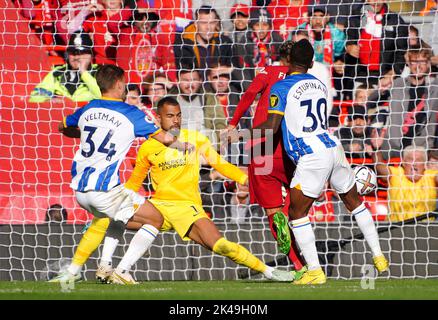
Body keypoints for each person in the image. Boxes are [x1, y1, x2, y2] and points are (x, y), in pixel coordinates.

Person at [61, 97, 295, 284]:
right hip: (159, 206)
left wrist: (246, 178)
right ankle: (93, 269)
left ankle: (268, 271)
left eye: (178, 115)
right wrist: (107, 208)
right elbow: (133, 184)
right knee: (106, 219)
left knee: (220, 245)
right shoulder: (148, 148)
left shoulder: (196, 139)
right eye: (170, 116)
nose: (175, 120)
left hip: (188, 209)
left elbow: (220, 164)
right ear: (159, 117)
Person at [258, 39, 388, 284]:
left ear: (286, 62)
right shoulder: (318, 84)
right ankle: (379, 255)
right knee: (354, 201)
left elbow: (272, 126)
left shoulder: (281, 87)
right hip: (333, 146)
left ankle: (315, 271)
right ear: (310, 63)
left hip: (310, 154)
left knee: (297, 212)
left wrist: (250, 130)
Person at [48, 64, 192, 283]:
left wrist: (83, 133)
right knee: (155, 219)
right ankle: (122, 271)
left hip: (80, 192)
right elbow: (166, 139)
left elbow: (61, 126)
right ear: (118, 85)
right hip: (104, 191)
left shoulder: (89, 108)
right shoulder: (130, 113)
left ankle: (98, 267)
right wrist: (186, 146)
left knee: (118, 215)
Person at [225, 40, 306, 277]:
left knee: (271, 210)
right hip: (289, 143)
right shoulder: (301, 81)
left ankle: (297, 265)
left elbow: (249, 94)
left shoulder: (268, 72)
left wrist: (232, 124)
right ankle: (287, 212)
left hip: (262, 143)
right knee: (298, 192)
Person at [366, 45, 438, 158]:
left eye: (422, 61)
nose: (418, 66)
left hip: (421, 149)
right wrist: (381, 91)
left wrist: (434, 60)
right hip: (393, 147)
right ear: (408, 63)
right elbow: (369, 102)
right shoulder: (398, 84)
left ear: (428, 64)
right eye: (414, 61)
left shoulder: (434, 87)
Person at [367, 135, 438, 222]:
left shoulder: (430, 176)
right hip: (394, 228)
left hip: (426, 230)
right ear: (403, 163)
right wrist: (376, 149)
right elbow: (379, 167)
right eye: (410, 160)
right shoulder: (396, 174)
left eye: (418, 160)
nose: (414, 164)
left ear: (425, 164)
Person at [29, 32, 100, 103]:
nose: (77, 57)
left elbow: (101, 96)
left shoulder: (100, 72)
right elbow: (36, 95)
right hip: (61, 112)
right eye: (73, 53)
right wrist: (48, 100)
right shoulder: (57, 73)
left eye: (82, 53)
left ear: (91, 55)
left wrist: (84, 73)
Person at [174, 6, 233, 72]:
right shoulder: (182, 46)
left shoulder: (225, 43)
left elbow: (237, 72)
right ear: (196, 24)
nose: (208, 27)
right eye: (203, 23)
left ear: (216, 23)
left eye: (212, 23)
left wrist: (228, 70)